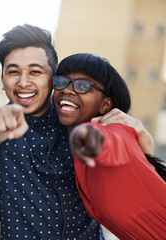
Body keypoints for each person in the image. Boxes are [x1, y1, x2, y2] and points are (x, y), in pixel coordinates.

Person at [0, 24, 155, 239]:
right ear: (2, 80)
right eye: (13, 72)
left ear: (52, 77)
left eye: (35, 71)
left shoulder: (79, 119)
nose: (23, 82)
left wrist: (142, 136)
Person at [53, 53, 166, 239]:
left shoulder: (115, 131)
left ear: (105, 106)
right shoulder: (77, 158)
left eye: (83, 86)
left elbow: (114, 143)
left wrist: (91, 139)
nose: (67, 90)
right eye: (61, 82)